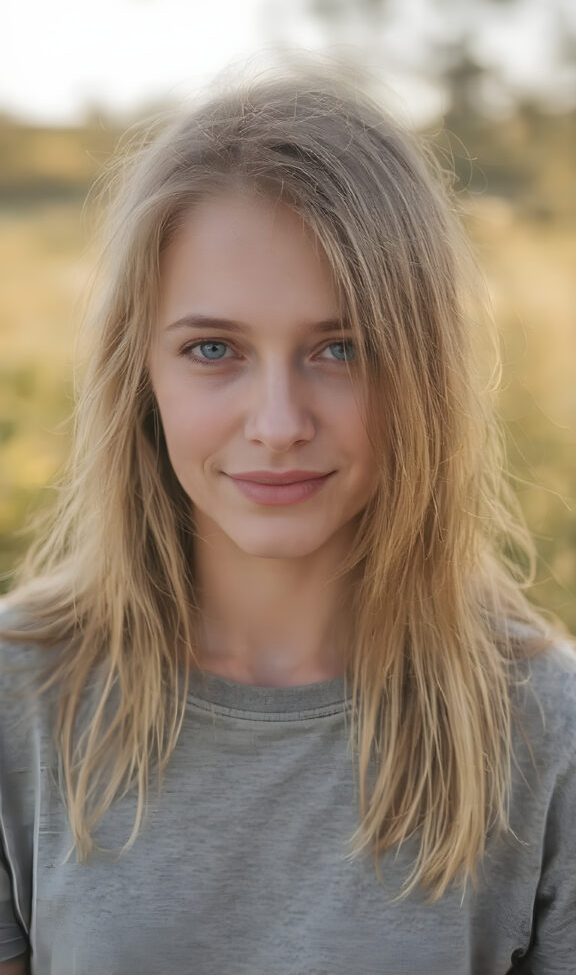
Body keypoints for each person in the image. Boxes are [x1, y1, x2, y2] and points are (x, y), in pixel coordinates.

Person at [0, 61, 575, 975]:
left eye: (340, 348)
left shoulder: (544, 730)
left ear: (421, 371)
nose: (277, 423)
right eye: (213, 349)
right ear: (138, 372)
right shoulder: (19, 700)